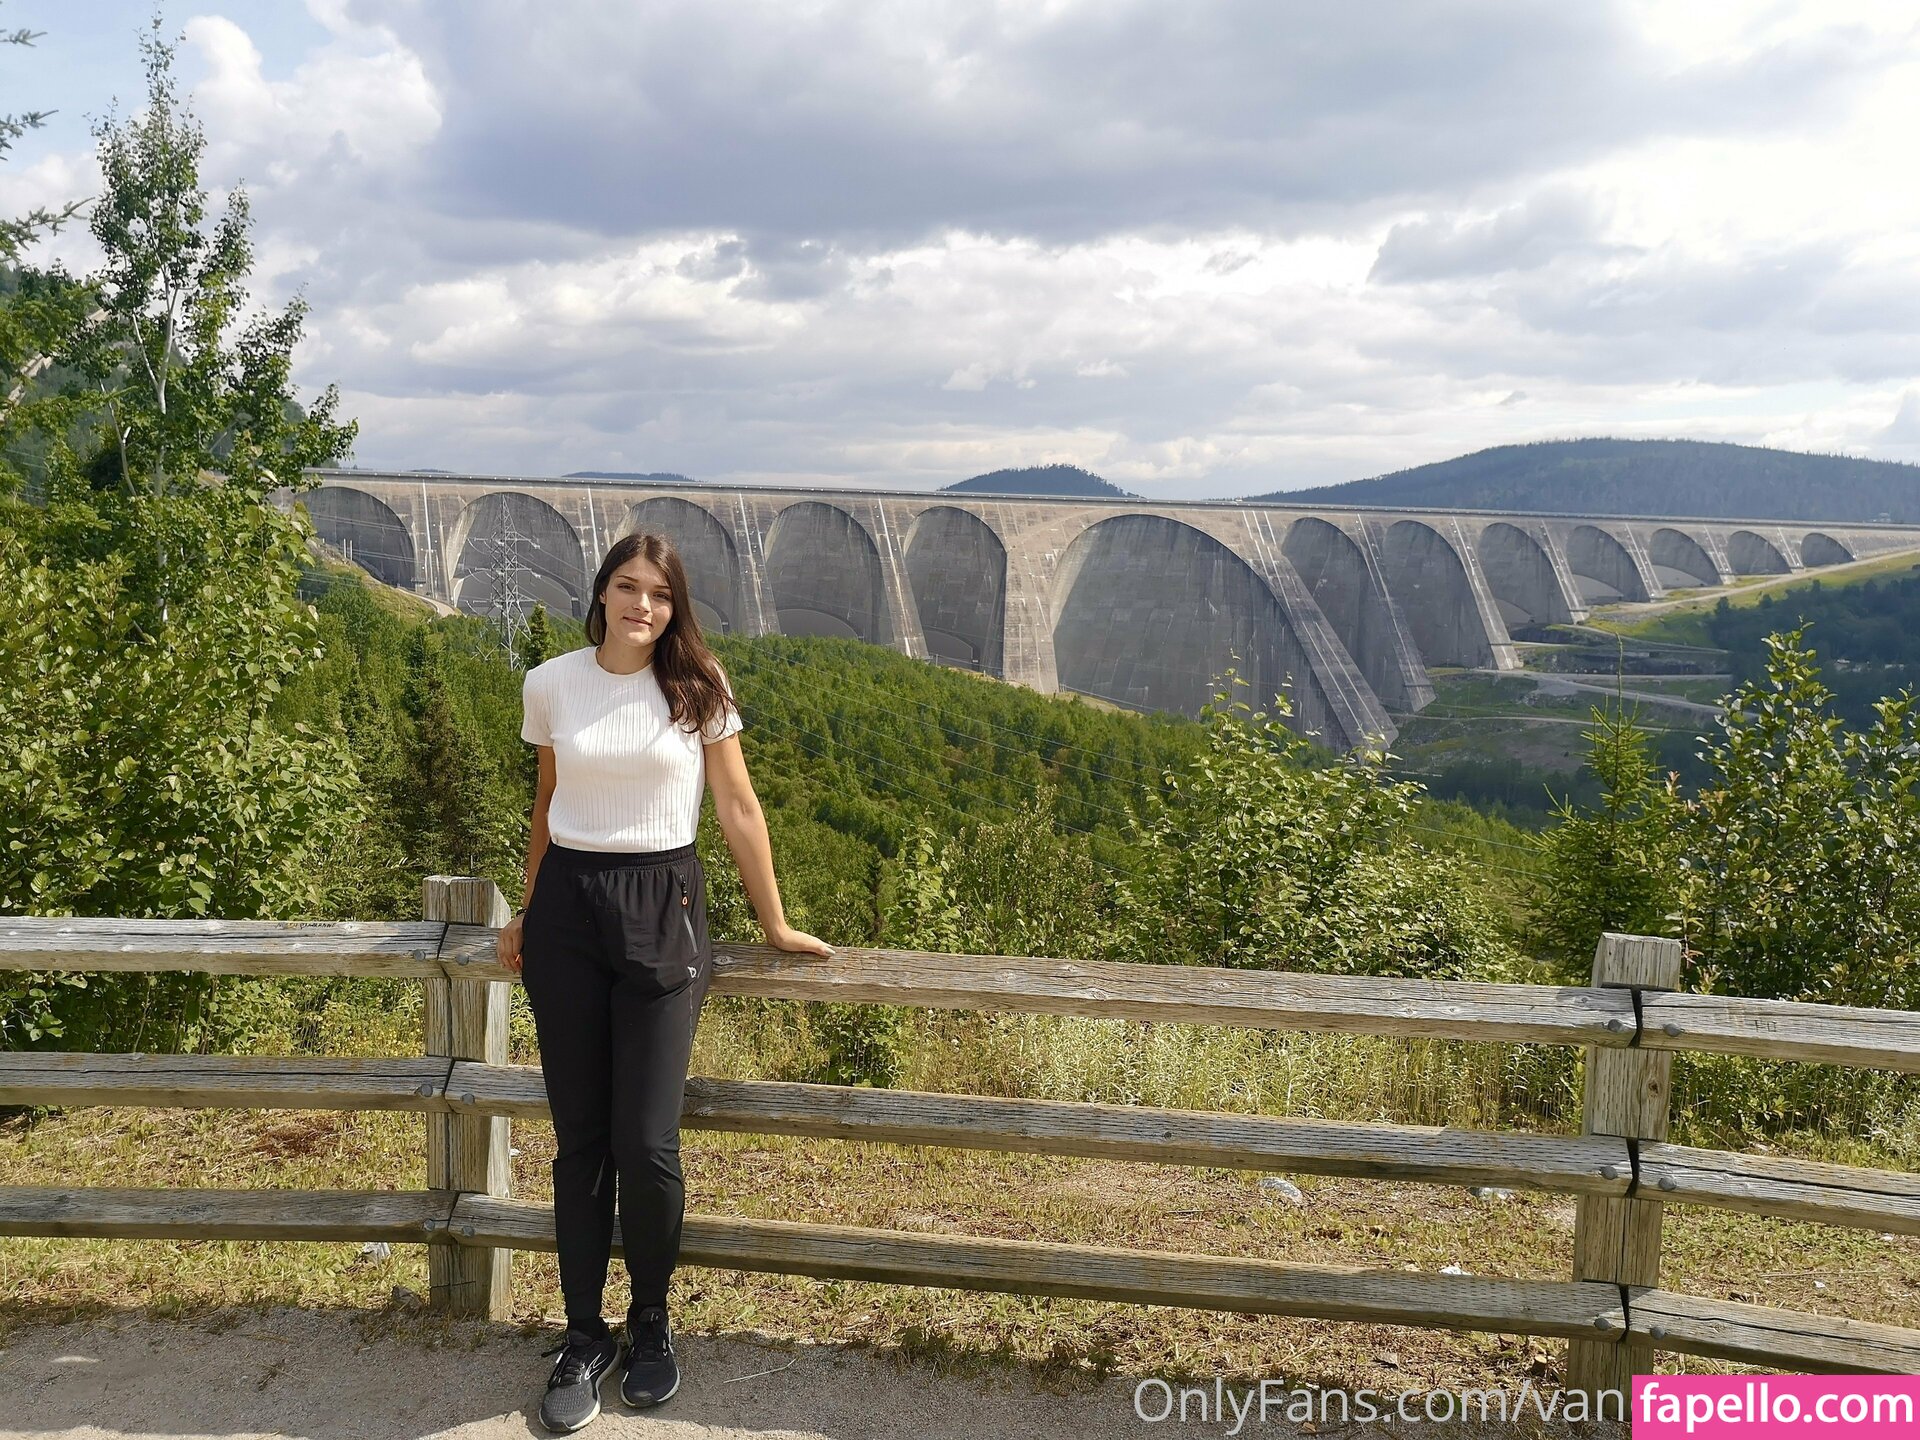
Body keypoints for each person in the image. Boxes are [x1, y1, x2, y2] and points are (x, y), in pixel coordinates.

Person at [497, 531, 833, 1433]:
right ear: (601, 593)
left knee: (646, 1143)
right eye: (626, 587)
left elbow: (738, 807)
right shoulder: (551, 682)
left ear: (674, 605)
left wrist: (773, 922)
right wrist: (529, 909)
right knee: (580, 1144)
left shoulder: (697, 686)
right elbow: (546, 805)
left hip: (663, 906)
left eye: (659, 593)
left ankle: (651, 1321)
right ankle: (583, 1336)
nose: (641, 605)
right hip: (568, 914)